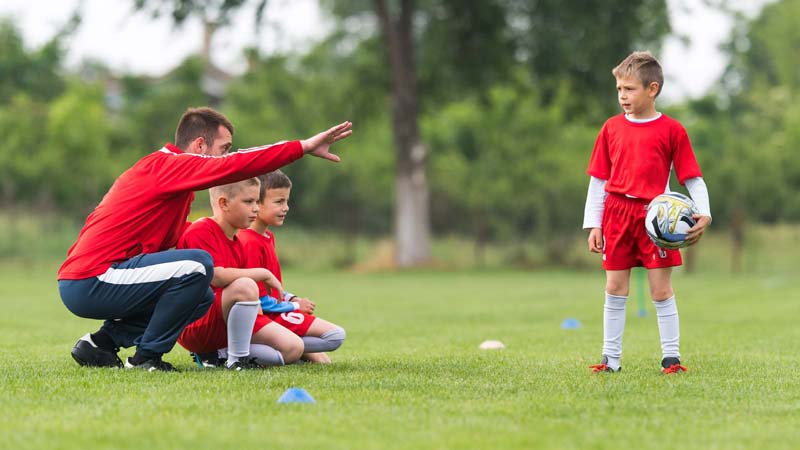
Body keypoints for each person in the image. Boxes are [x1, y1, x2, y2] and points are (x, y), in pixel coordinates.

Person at [58, 106, 352, 371]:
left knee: (201, 295)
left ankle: (100, 344)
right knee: (199, 265)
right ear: (199, 145)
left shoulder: (169, 177)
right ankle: (145, 359)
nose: (225, 156)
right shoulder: (168, 165)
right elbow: (237, 164)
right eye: (223, 149)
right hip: (93, 278)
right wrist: (301, 147)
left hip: (101, 278)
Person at [582, 51, 711, 374]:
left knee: (661, 289)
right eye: (619, 90)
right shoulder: (611, 128)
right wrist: (593, 224)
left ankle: (671, 358)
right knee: (614, 287)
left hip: (656, 219)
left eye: (629, 89)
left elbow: (692, 178)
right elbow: (599, 180)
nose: (622, 96)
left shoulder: (672, 130)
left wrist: (705, 213)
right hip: (617, 214)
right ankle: (610, 360)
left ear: (652, 89)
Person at [176, 178, 304, 370]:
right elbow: (216, 276)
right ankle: (237, 360)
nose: (255, 208)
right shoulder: (201, 230)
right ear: (224, 203)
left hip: (224, 323)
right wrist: (263, 273)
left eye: (256, 202)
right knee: (245, 285)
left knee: (294, 348)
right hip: (195, 324)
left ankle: (221, 355)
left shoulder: (238, 242)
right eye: (248, 202)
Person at [237, 170, 346, 364]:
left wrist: (290, 297)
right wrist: (295, 306)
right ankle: (239, 351)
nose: (286, 208)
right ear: (257, 203)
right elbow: (257, 300)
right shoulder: (249, 242)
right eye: (278, 202)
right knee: (335, 336)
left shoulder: (268, 236)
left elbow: (271, 288)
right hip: (265, 318)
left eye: (286, 201)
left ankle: (289, 350)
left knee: (324, 361)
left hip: (276, 311)